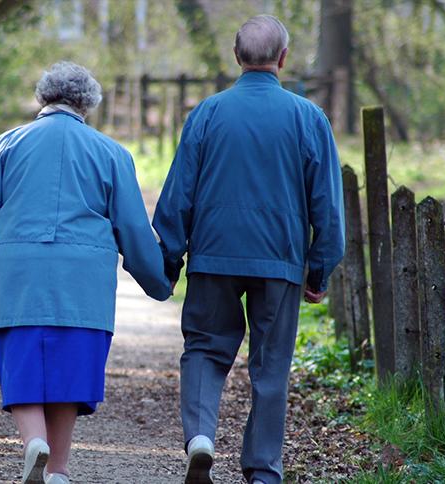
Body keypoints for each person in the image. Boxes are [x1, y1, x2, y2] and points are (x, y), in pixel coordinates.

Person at [0, 61, 171, 484]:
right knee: (70, 374)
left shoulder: (3, 145)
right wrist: (159, 282)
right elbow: (131, 226)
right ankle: (57, 469)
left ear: (43, 97)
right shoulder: (111, 153)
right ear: (87, 104)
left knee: (22, 367)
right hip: (82, 284)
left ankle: (34, 444)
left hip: (17, 277)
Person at [152, 15, 345, 484]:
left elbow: (177, 196)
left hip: (214, 256)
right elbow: (329, 207)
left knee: (203, 348)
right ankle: (262, 471)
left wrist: (170, 259)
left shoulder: (207, 113)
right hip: (279, 261)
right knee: (271, 367)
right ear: (283, 58)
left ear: (236, 58)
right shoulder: (308, 117)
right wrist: (318, 270)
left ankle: (200, 435)